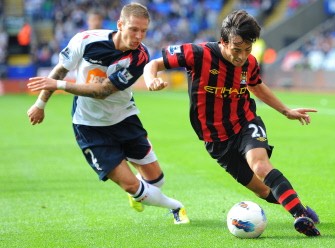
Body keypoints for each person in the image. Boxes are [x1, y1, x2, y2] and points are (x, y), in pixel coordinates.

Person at [142, 10, 320, 236]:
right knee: (261, 190)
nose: (242, 56)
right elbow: (154, 64)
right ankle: (303, 209)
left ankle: (300, 217)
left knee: (260, 166)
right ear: (223, 42)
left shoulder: (250, 62)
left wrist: (286, 111)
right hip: (215, 138)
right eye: (236, 49)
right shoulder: (198, 54)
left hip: (245, 122)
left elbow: (256, 85)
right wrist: (151, 79)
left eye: (247, 50)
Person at [27, 2, 189, 225]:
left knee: (157, 180)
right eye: (134, 29)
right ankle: (176, 207)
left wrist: (59, 85)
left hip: (124, 118)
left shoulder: (140, 56)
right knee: (133, 185)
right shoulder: (85, 40)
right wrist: (40, 104)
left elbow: (103, 91)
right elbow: (60, 70)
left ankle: (141, 194)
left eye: (144, 31)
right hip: (89, 126)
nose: (139, 36)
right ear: (120, 25)